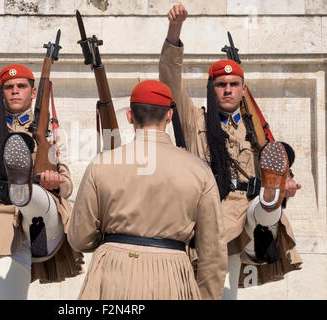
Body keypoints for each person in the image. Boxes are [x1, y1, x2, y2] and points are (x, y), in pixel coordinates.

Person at [159, 3, 303, 300]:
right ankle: (268, 210)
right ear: (212, 89)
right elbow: (171, 82)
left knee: (266, 201)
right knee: (223, 293)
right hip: (216, 212)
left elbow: (272, 158)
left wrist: (286, 184)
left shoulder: (256, 129)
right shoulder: (195, 120)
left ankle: (270, 205)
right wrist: (175, 32)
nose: (227, 89)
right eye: (221, 84)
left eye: (234, 84)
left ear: (242, 89)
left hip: (250, 208)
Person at [0, 0, 83, 299]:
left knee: (37, 196)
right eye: (9, 87)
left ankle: (26, 189)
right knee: (7, 295)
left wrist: (56, 183)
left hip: (42, 221)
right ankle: (19, 187)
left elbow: (66, 179)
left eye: (21, 86)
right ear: (1, 91)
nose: (14, 91)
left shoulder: (46, 131)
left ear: (33, 92)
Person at [68, 80, 227, 300]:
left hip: (114, 274)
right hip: (173, 275)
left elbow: (79, 238)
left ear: (130, 116)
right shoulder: (199, 170)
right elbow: (213, 251)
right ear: (169, 116)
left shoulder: (101, 165)